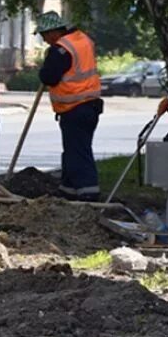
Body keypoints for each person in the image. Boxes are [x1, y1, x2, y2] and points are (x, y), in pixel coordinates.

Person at [35, 11, 103, 200]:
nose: (45, 40)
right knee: (74, 150)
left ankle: (88, 193)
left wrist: (46, 65)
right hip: (90, 105)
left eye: (44, 36)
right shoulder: (83, 40)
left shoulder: (61, 49)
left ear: (53, 32)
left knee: (78, 151)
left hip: (75, 107)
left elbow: (49, 76)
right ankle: (68, 189)